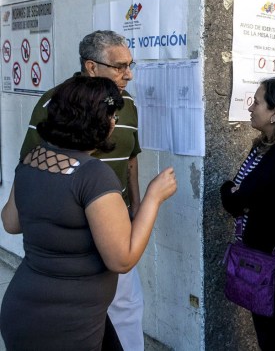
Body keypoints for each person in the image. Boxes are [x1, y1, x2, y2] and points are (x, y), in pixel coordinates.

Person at [0, 76, 176, 350]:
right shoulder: (93, 175)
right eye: (111, 116)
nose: (114, 122)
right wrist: (153, 197)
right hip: (67, 325)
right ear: (95, 122)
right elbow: (122, 260)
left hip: (23, 309)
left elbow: (11, 222)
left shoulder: (31, 160)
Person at [19, 30, 145, 350]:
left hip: (118, 225)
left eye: (131, 65)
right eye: (119, 66)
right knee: (78, 319)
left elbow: (130, 160)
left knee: (126, 310)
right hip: (70, 233)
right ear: (91, 67)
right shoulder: (55, 101)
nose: (128, 74)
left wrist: (138, 209)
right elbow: (30, 165)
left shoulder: (127, 103)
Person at [220, 77, 275, 350]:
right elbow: (242, 198)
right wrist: (238, 194)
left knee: (272, 335)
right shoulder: (263, 148)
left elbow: (237, 200)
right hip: (263, 256)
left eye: (257, 102)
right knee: (268, 331)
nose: (250, 107)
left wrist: (228, 188)